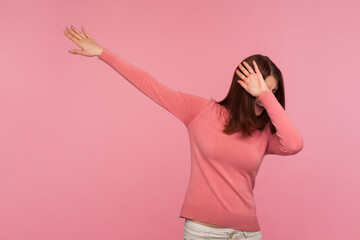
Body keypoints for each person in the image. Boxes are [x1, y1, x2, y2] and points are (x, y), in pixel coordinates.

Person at [64, 25, 304, 240]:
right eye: (259, 92)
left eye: (271, 93)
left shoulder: (263, 134)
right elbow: (152, 86)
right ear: (243, 88)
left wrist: (265, 95)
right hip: (204, 233)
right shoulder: (201, 112)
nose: (263, 101)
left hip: (248, 234)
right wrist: (103, 53)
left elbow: (294, 144)